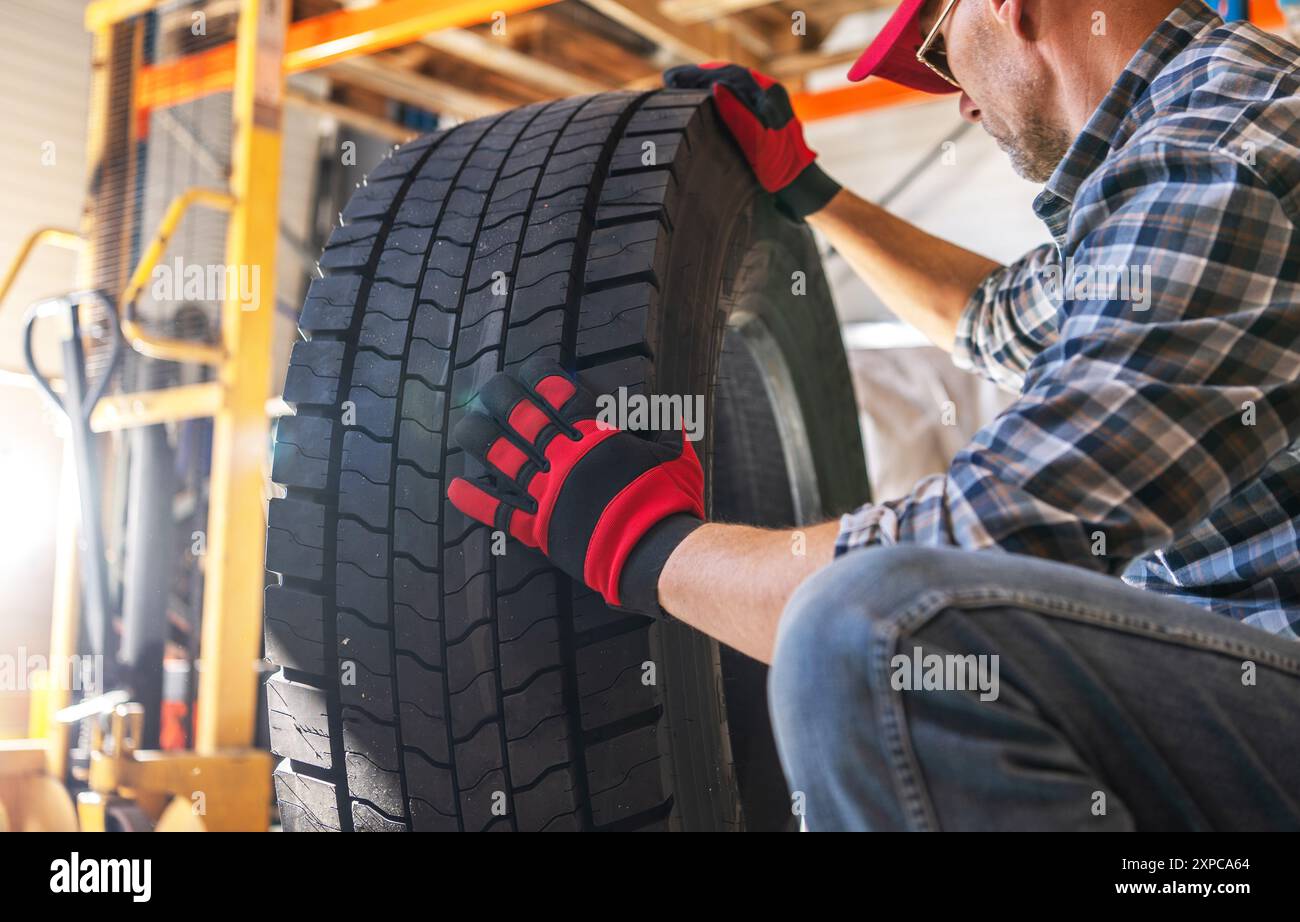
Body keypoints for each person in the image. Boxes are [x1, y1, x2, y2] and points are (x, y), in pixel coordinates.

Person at [447, 0, 1300, 830]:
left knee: (874, 633)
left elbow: (993, 541)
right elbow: (991, 318)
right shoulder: (1188, 137)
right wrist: (811, 189)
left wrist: (640, 542)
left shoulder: (1219, 154)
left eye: (937, 51)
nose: (961, 102)